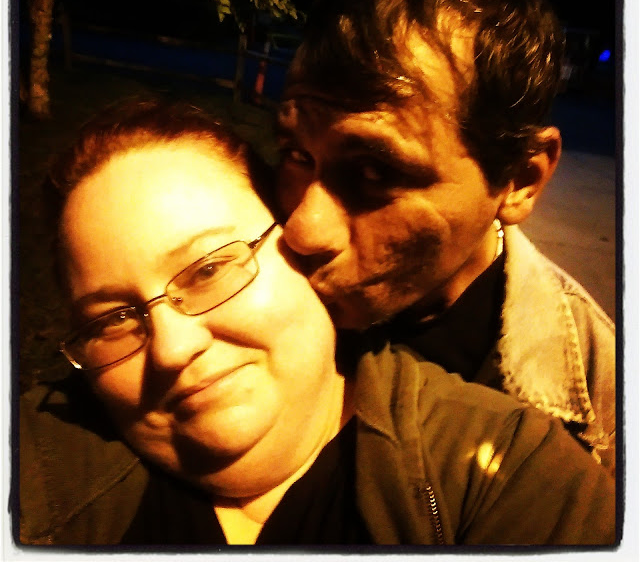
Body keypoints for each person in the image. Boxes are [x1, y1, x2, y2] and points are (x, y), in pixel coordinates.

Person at [18, 99, 615, 546]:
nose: (172, 348)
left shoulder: (510, 475)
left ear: (298, 251)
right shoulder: (35, 465)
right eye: (114, 319)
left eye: (210, 270)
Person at [275, 0, 616, 475]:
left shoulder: (601, 393)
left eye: (375, 172)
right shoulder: (243, 279)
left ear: (520, 180)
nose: (300, 230)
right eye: (298, 155)